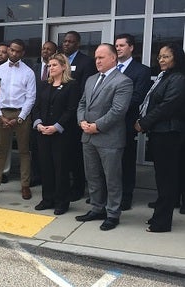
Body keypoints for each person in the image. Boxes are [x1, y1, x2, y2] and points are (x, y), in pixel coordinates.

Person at [75, 43, 132, 231]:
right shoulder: (91, 79)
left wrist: (96, 126)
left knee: (112, 178)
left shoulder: (123, 81)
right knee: (93, 176)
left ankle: (113, 213)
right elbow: (82, 103)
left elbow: (118, 111)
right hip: (88, 137)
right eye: (96, 57)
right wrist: (82, 122)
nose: (97, 61)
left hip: (109, 139)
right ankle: (97, 208)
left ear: (113, 58)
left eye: (101, 57)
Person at [135, 43, 185, 232]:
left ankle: (162, 223)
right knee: (163, 178)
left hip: (169, 134)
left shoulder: (178, 78)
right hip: (160, 133)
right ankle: (159, 216)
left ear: (176, 58)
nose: (161, 60)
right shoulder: (166, 77)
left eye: (166, 57)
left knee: (168, 179)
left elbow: (167, 107)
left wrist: (144, 122)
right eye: (160, 56)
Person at [0, 39, 36, 200]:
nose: (14, 53)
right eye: (12, 50)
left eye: (18, 51)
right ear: (8, 50)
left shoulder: (28, 72)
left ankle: (25, 185)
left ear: (22, 53)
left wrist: (20, 118)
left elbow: (31, 97)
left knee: (23, 151)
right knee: (1, 149)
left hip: (22, 113)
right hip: (2, 112)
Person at [32, 53, 80, 215]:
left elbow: (71, 110)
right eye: (49, 66)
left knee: (60, 169)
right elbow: (36, 106)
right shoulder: (44, 85)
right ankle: (47, 199)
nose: (51, 68)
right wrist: (38, 124)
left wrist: (57, 126)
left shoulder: (72, 86)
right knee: (46, 167)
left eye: (54, 65)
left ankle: (61, 201)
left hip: (61, 135)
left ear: (64, 67)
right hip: (43, 133)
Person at [114, 33, 152, 210]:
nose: (118, 48)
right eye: (116, 46)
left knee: (126, 161)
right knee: (109, 162)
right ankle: (108, 194)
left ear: (131, 47)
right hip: (107, 124)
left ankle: (126, 196)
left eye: (122, 45)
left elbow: (137, 97)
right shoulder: (110, 68)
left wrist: (113, 109)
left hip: (126, 123)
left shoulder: (141, 70)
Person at [61, 31, 97, 202]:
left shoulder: (86, 62)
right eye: (65, 41)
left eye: (71, 41)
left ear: (78, 44)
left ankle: (78, 187)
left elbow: (84, 91)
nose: (67, 44)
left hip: (76, 115)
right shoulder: (60, 60)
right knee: (63, 155)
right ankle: (64, 186)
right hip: (59, 116)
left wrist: (76, 113)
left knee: (76, 156)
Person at [30, 41, 58, 187]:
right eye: (43, 49)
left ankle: (50, 177)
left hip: (52, 114)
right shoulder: (34, 68)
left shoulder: (58, 71)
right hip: (36, 112)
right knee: (35, 147)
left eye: (49, 49)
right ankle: (36, 175)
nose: (45, 51)